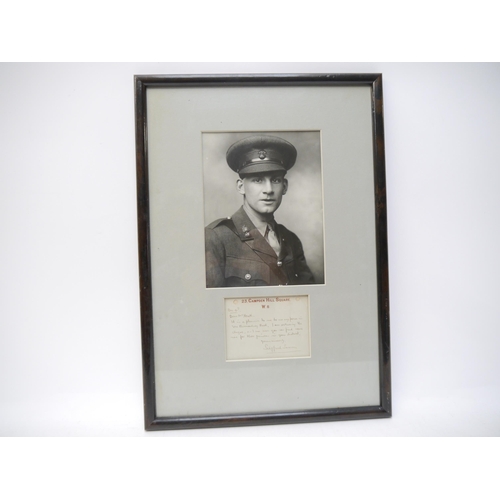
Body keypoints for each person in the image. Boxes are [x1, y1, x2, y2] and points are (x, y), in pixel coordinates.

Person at [205, 135, 315, 287]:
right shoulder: (216, 237)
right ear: (240, 186)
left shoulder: (291, 240)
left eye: (275, 180)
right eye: (258, 180)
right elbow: (211, 305)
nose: (268, 190)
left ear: (284, 187)